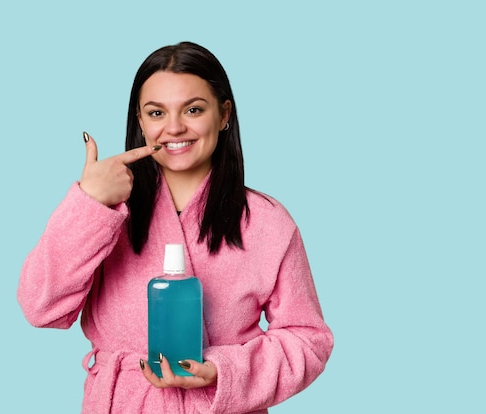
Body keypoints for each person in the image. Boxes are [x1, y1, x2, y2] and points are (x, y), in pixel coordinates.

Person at [17, 41, 333, 413]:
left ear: (224, 114)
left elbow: (308, 339)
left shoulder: (266, 222)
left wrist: (223, 370)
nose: (174, 128)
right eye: (156, 113)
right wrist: (90, 202)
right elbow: (41, 307)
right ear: (139, 120)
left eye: (194, 109)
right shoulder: (105, 211)